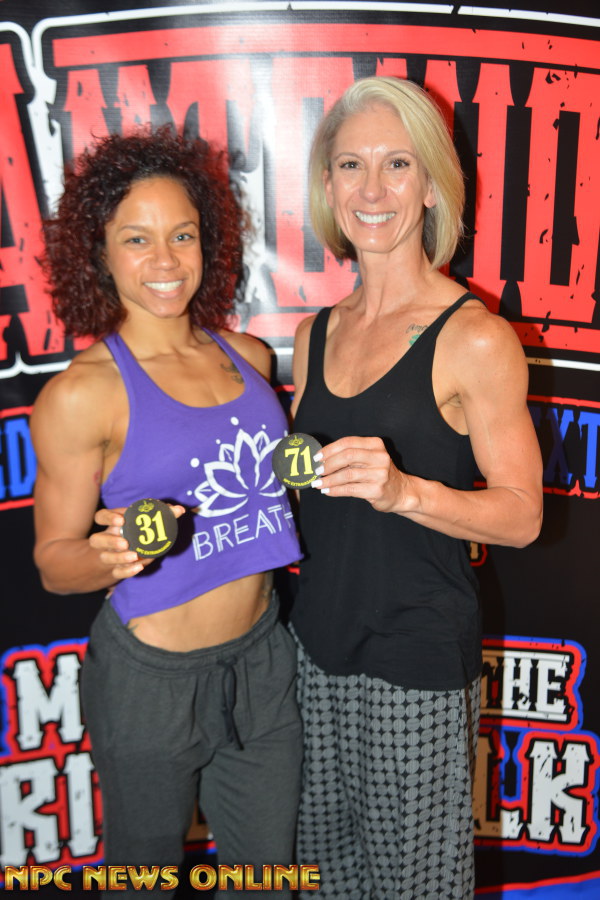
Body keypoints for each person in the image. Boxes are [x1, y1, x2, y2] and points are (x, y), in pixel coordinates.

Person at [31, 127, 302, 896]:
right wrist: (109, 555)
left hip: (262, 660)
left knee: (267, 881)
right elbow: (53, 562)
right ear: (100, 253)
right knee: (142, 881)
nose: (165, 260)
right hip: (149, 682)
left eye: (182, 235)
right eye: (137, 239)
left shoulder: (248, 358)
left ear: (207, 242)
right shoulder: (82, 394)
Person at [290, 77, 543, 899]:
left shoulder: (475, 337)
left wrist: (405, 492)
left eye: (397, 164)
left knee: (417, 889)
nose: (372, 189)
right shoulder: (313, 334)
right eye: (351, 165)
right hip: (313, 650)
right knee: (326, 883)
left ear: (432, 186)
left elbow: (522, 516)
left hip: (416, 657)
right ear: (328, 186)